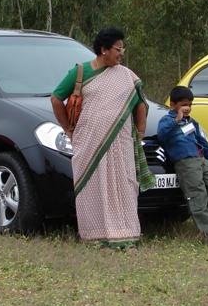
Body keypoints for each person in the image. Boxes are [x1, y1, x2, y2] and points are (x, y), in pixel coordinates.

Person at [50, 27, 154, 248]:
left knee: (125, 184)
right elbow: (57, 98)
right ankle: (94, 237)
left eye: (122, 48)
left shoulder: (126, 76)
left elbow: (141, 105)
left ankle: (126, 235)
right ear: (104, 50)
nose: (121, 53)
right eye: (118, 49)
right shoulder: (80, 73)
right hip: (87, 144)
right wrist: (68, 129)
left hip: (121, 144)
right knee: (91, 186)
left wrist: (141, 133)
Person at [157, 86, 208, 246]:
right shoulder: (166, 121)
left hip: (201, 159)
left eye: (190, 104)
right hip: (186, 163)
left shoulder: (192, 122)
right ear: (173, 104)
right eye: (184, 104)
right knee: (198, 195)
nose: (188, 108)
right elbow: (162, 135)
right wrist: (175, 120)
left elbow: (202, 141)